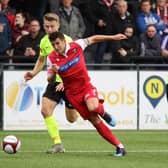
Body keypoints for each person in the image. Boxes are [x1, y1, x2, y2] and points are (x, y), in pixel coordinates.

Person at [24, 13, 115, 154]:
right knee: (45, 110)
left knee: (72, 119)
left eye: (52, 26)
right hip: (55, 83)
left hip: (70, 85)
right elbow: (42, 60)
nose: (49, 29)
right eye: (47, 26)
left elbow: (74, 66)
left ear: (58, 25)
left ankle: (95, 109)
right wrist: (33, 73)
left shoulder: (66, 40)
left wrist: (65, 84)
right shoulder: (44, 41)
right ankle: (57, 143)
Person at [47, 31, 127, 157]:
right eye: (53, 45)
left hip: (86, 87)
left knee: (93, 107)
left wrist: (113, 37)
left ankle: (104, 113)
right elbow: (50, 80)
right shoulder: (51, 58)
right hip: (73, 95)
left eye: (57, 43)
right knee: (94, 120)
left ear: (63, 41)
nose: (56, 47)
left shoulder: (76, 45)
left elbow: (94, 38)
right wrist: (54, 73)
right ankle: (120, 147)